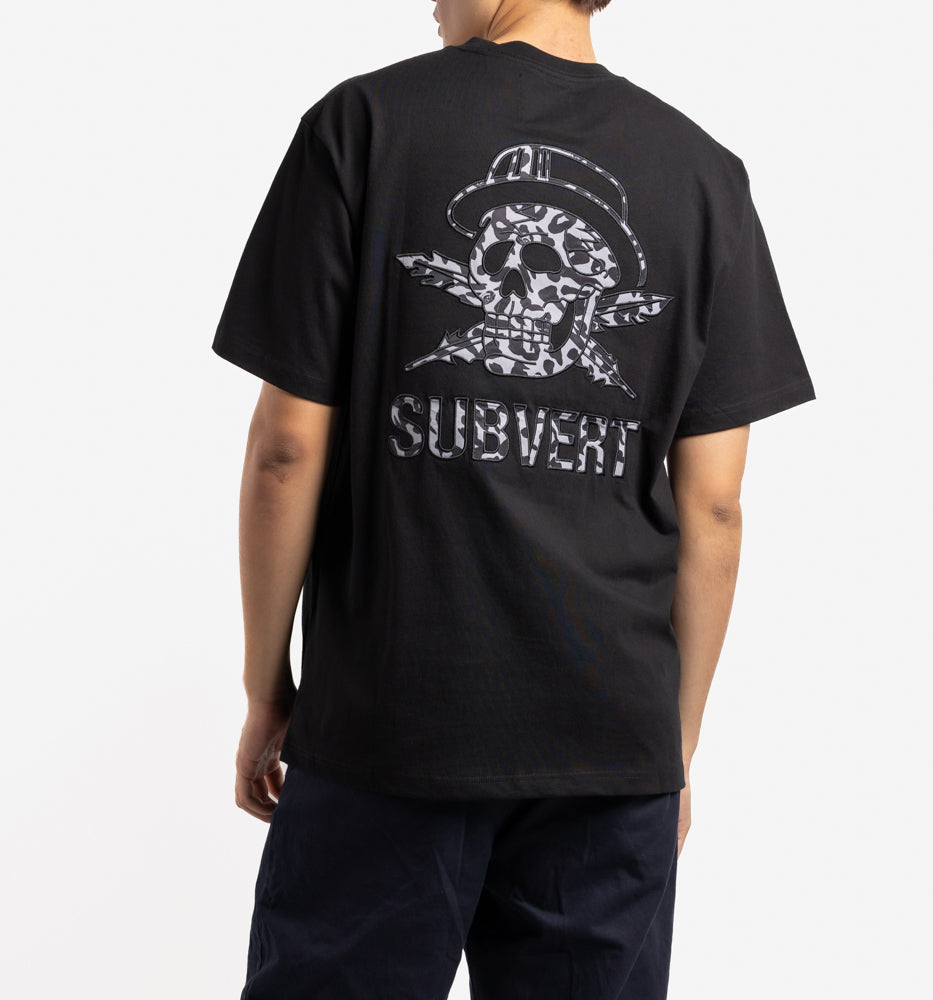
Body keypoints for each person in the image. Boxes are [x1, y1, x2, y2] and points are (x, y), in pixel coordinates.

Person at [212, 1, 816, 996]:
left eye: (546, 268)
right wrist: (668, 747)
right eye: (499, 260)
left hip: (387, 726)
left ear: (590, 289)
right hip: (609, 744)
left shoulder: (364, 126)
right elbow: (714, 504)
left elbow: (287, 447)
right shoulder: (704, 175)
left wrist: (266, 686)